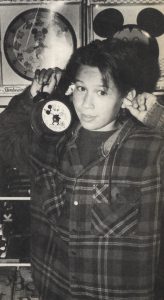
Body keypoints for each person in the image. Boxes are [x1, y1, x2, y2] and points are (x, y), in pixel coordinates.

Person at [0, 39, 164, 299]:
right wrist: (32, 97)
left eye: (101, 92)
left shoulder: (151, 148)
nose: (86, 104)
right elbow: (5, 143)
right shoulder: (51, 140)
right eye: (80, 88)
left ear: (126, 97)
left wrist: (158, 117)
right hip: (54, 291)